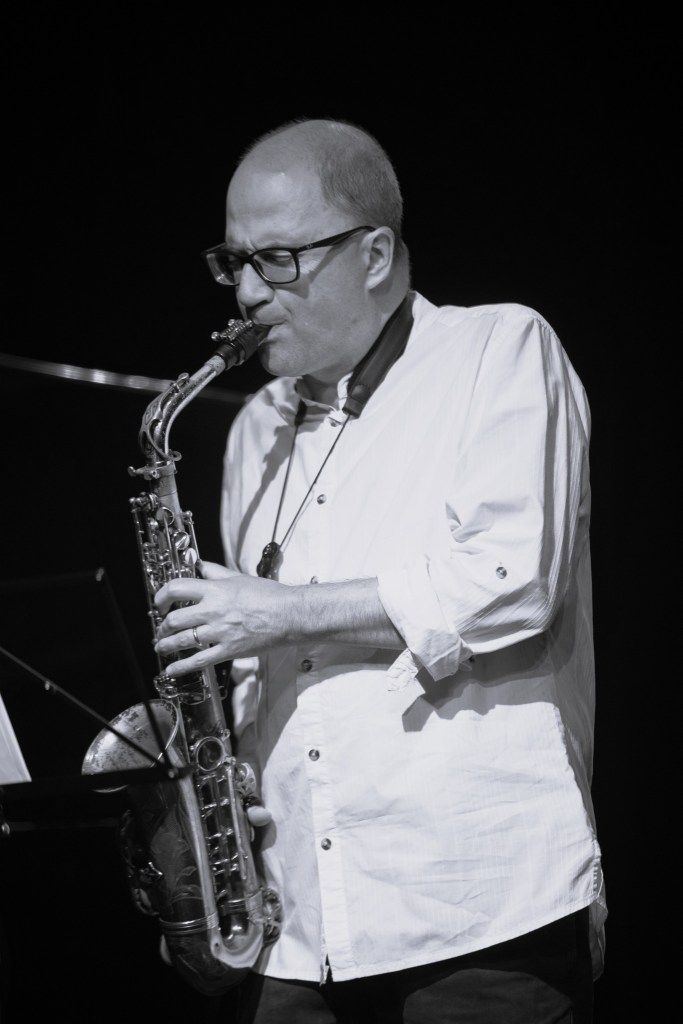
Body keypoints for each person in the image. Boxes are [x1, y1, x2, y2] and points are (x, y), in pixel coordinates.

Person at [153, 117, 607, 1024]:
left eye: (276, 259)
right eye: (233, 261)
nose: (246, 290)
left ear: (373, 254)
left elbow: (509, 581)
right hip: (293, 928)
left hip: (473, 909)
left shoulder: (498, 349)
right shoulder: (252, 428)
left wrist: (278, 613)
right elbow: (256, 666)